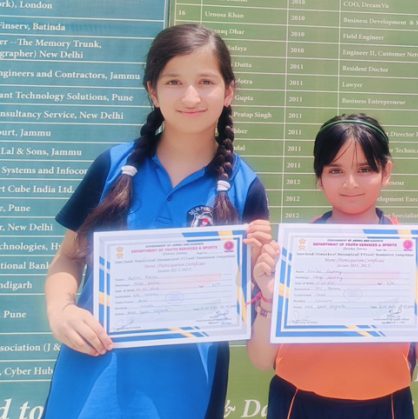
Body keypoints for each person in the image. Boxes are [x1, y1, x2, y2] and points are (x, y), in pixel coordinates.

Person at [43, 24, 271, 418]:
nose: (190, 96)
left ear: (229, 90)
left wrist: (260, 273)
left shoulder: (245, 186)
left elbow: (252, 302)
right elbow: (68, 259)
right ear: (153, 90)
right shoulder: (112, 166)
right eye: (174, 81)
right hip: (91, 381)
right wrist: (60, 310)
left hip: (186, 392)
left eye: (205, 81)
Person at [247, 113, 418, 418]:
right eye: (335, 170)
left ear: (386, 171)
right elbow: (262, 360)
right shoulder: (293, 254)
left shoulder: (411, 251)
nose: (351, 183)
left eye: (365, 169)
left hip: (387, 406)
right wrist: (267, 296)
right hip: (298, 404)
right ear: (319, 177)